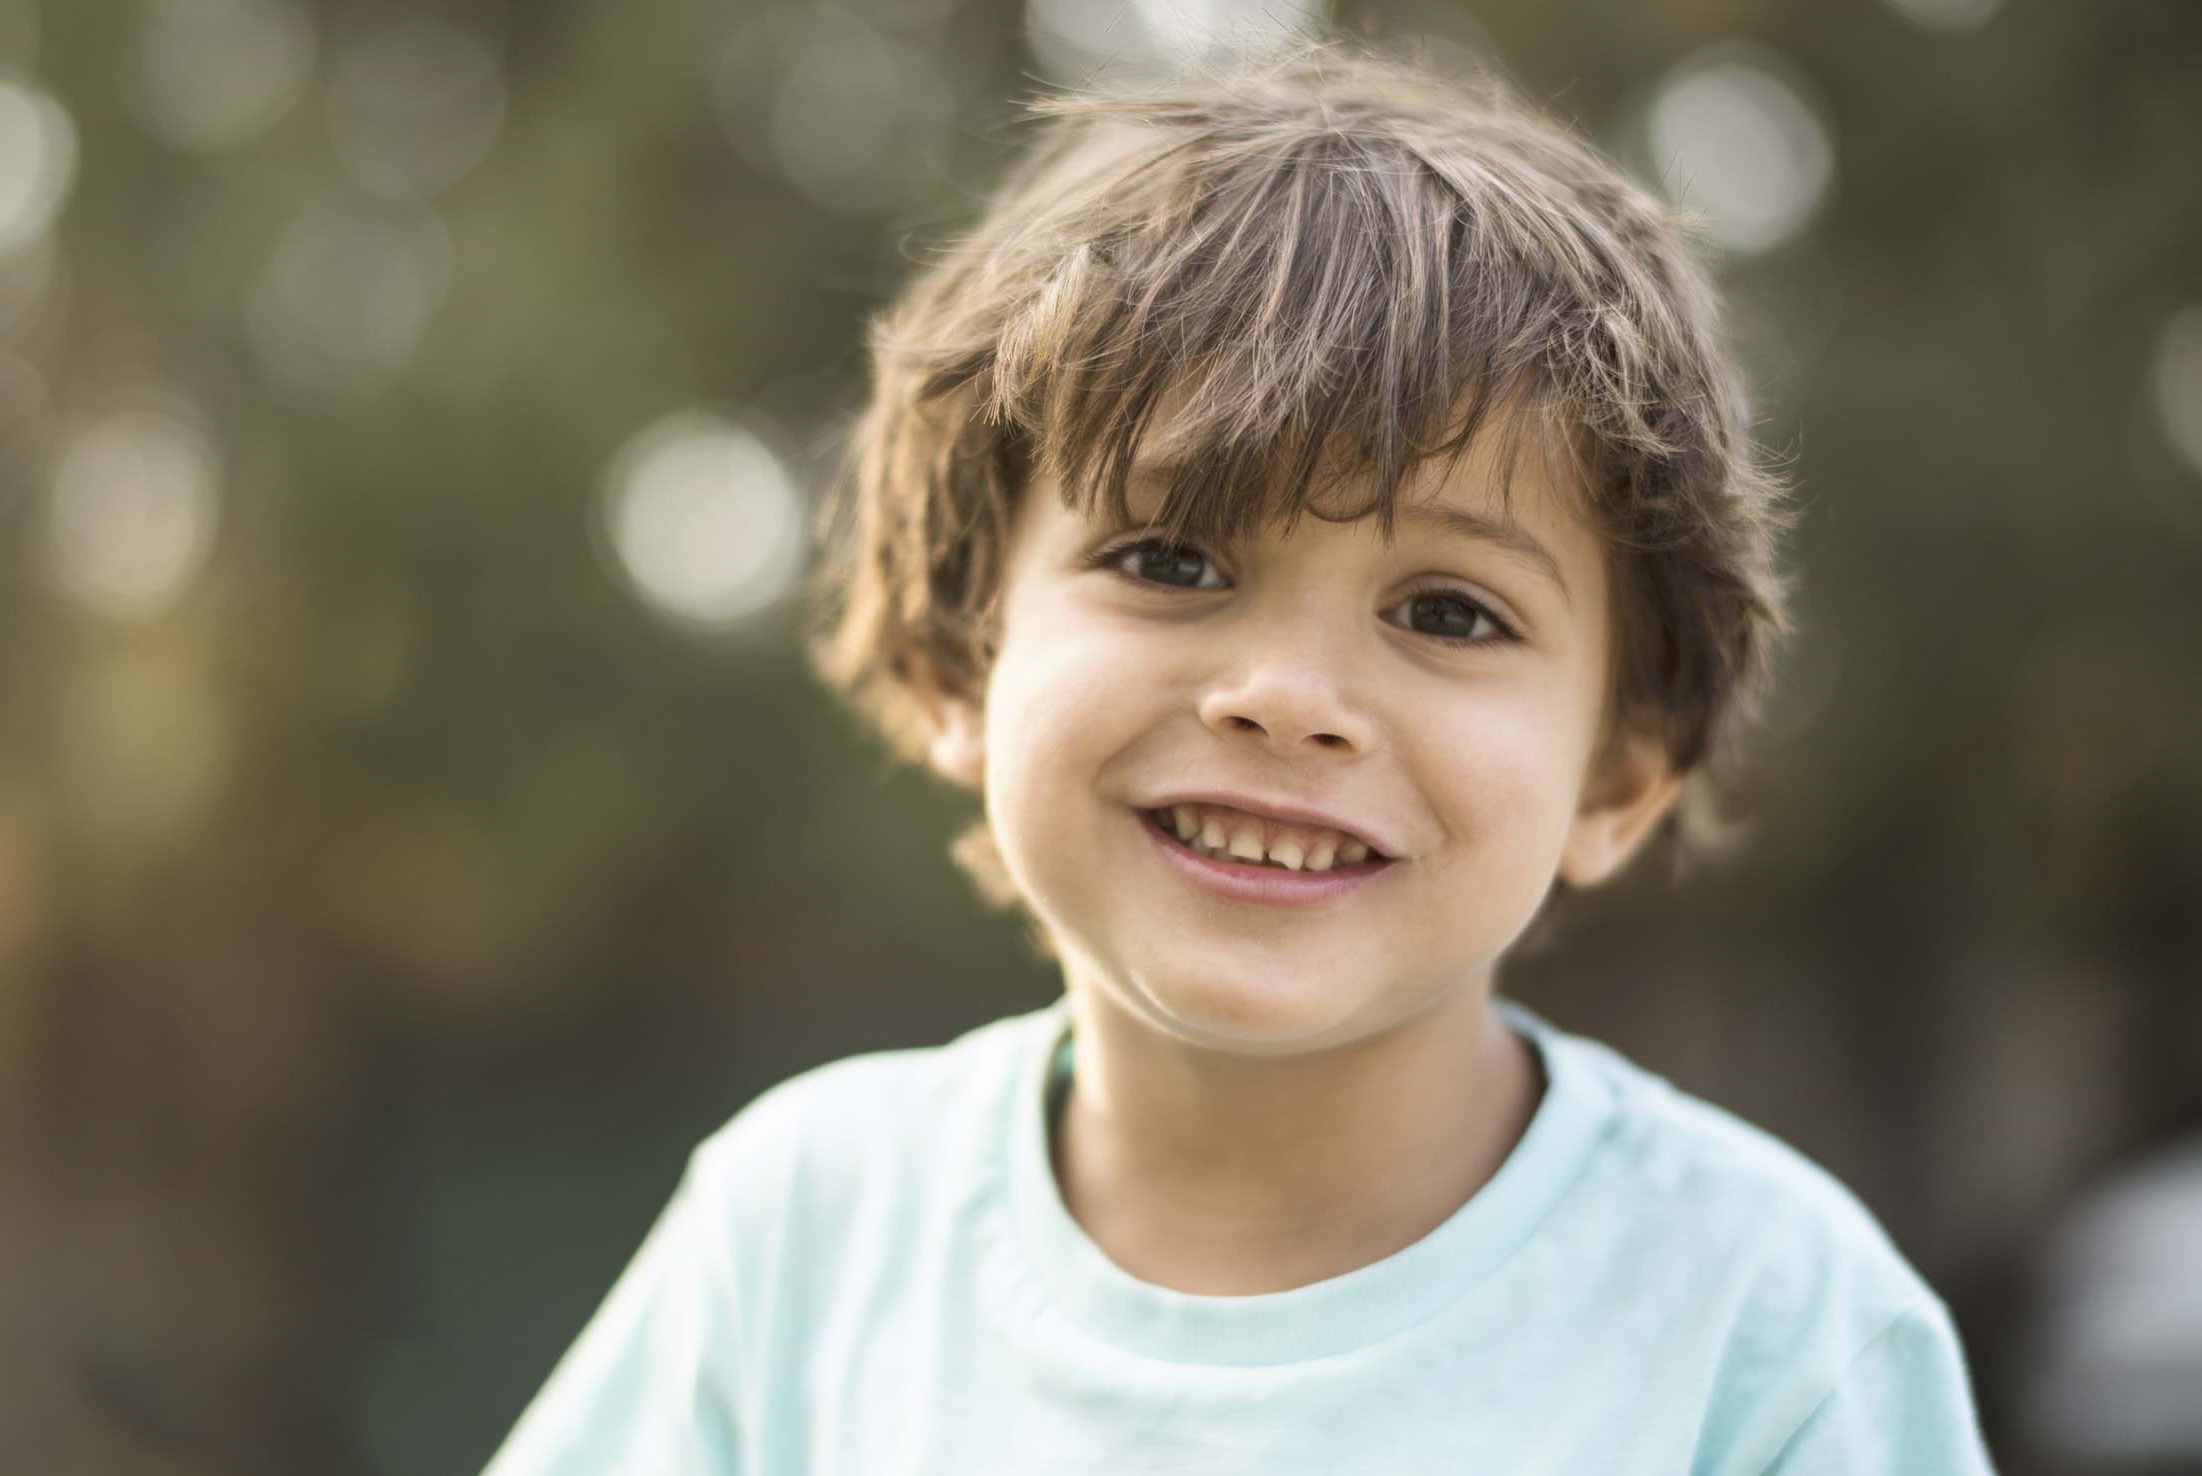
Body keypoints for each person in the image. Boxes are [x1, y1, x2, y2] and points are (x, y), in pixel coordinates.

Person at [483, 43, 1997, 1474]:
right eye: (1170, 560)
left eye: (1451, 611)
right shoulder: (802, 1233)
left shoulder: (1773, 1331)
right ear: (961, 659)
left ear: (1618, 780)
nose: (1287, 698)